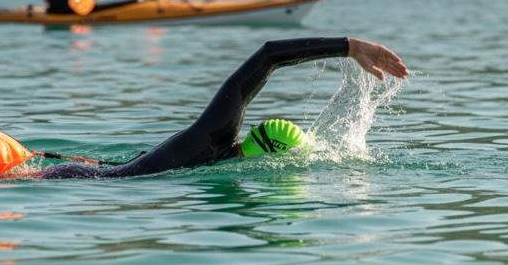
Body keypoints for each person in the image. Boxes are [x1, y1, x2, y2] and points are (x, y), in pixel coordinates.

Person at [36, 36, 407, 179]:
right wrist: (349, 46)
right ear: (269, 153)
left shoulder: (216, 155)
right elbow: (267, 55)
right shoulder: (212, 137)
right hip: (74, 180)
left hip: (94, 172)